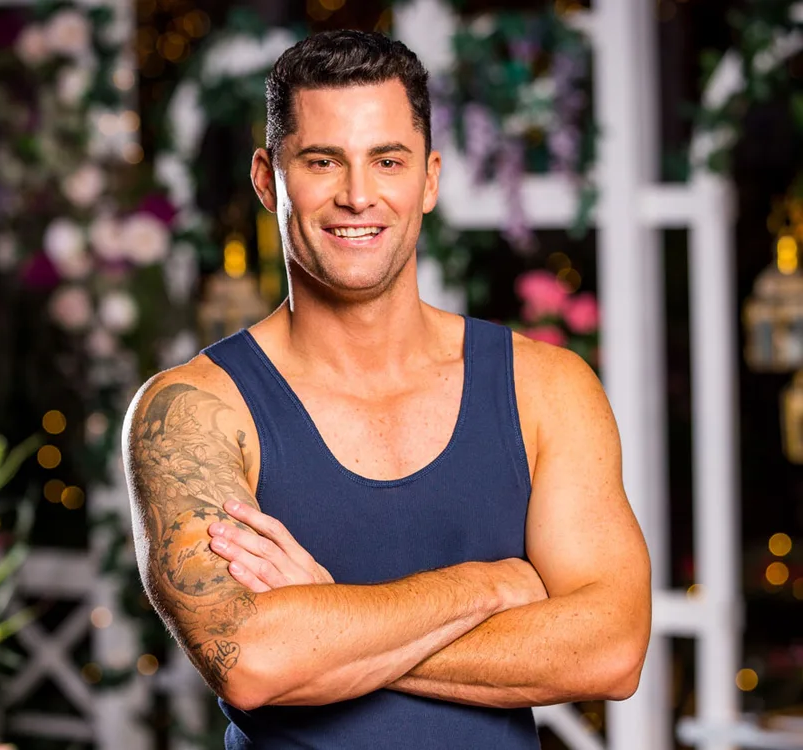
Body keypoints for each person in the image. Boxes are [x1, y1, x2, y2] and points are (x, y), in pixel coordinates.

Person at [123, 29, 651, 750]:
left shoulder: (545, 389)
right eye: (322, 161)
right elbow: (252, 662)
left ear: (429, 180)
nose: (358, 196)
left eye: (388, 161)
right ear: (267, 180)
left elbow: (612, 650)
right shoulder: (193, 411)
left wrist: (328, 621)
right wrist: (489, 586)